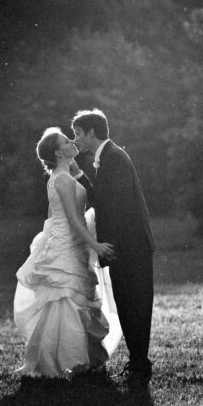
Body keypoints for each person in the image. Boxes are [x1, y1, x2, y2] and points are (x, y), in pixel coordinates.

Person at [13, 128, 122, 378]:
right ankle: (64, 361)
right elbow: (73, 220)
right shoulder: (61, 179)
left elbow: (57, 215)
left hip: (72, 244)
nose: (72, 141)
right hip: (69, 244)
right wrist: (96, 245)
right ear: (57, 151)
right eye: (66, 140)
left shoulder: (65, 175)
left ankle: (80, 358)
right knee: (67, 300)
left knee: (74, 300)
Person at [71, 109, 155, 386]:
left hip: (130, 248)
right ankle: (138, 363)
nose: (76, 140)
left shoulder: (114, 158)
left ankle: (141, 366)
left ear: (91, 133)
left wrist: (109, 246)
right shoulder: (107, 158)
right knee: (129, 305)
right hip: (125, 247)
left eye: (78, 134)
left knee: (135, 306)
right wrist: (81, 175)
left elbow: (116, 207)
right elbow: (104, 201)